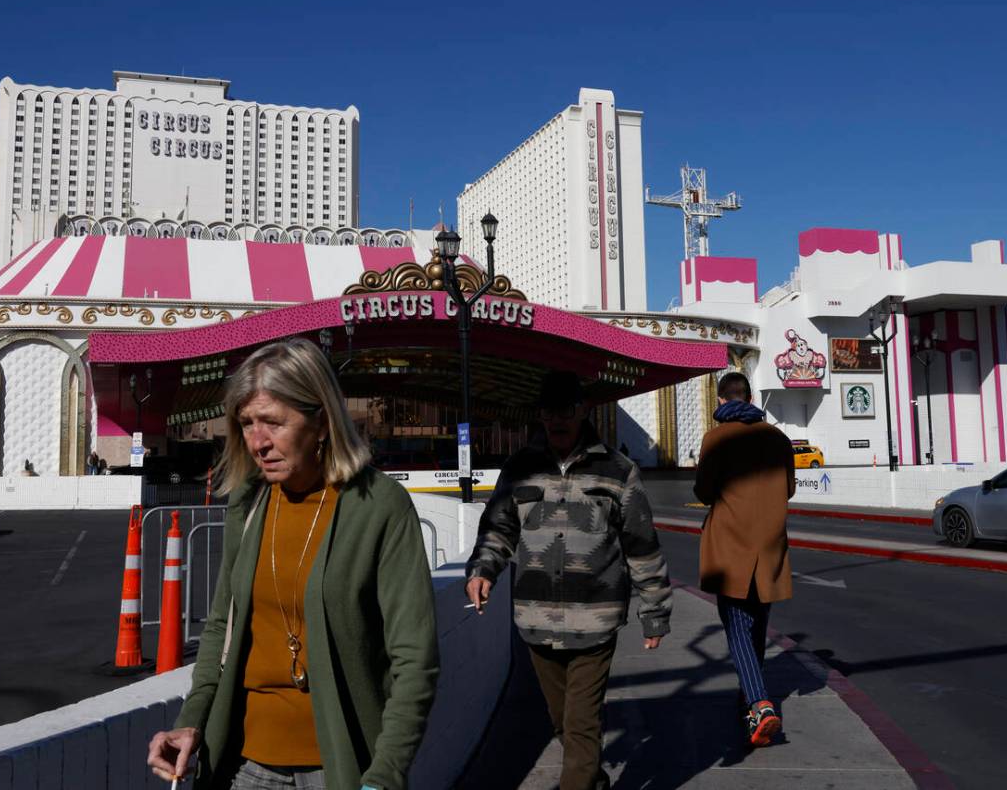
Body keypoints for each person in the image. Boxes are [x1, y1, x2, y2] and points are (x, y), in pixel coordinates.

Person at [148, 338, 439, 789]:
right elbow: (221, 626)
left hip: (340, 768)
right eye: (246, 423)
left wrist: (386, 771)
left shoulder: (379, 506)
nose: (257, 442)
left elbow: (414, 657)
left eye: (273, 422)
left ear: (321, 421)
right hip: (243, 766)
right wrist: (191, 720)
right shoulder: (248, 503)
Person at [464, 370, 672, 790]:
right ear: (539, 415)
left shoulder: (618, 470)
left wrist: (655, 612)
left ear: (583, 411)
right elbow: (499, 529)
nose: (557, 420)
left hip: (595, 623)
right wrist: (484, 569)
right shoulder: (520, 468)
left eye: (566, 410)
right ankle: (592, 779)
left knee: (580, 726)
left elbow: (641, 546)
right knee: (564, 724)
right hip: (536, 622)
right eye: (548, 412)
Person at [694, 371, 795, 748]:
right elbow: (788, 489)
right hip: (769, 547)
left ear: (721, 401)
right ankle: (747, 703)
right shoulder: (778, 439)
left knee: (737, 626)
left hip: (731, 546)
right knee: (755, 629)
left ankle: (759, 703)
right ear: (750, 397)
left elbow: (704, 492)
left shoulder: (716, 438)